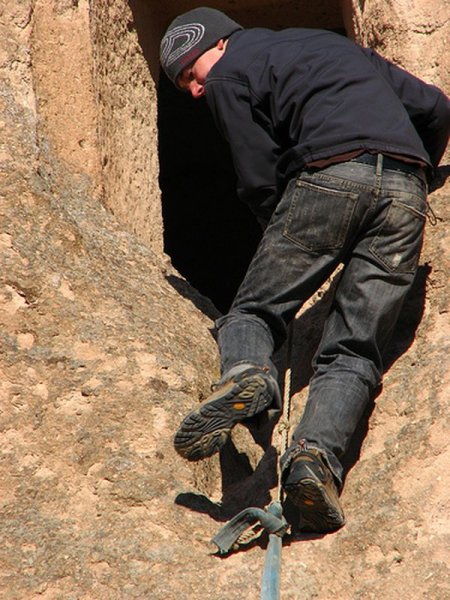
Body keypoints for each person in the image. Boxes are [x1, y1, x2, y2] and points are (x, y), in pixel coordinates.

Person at [159, 7, 450, 532]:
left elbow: (257, 173)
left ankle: (248, 376)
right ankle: (314, 462)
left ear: (216, 45)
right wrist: (416, 172)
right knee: (356, 348)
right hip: (407, 193)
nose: (196, 91)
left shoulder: (227, 72)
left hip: (328, 177)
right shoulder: (334, 47)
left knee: (253, 308)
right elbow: (433, 107)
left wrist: (284, 225)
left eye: (189, 75)